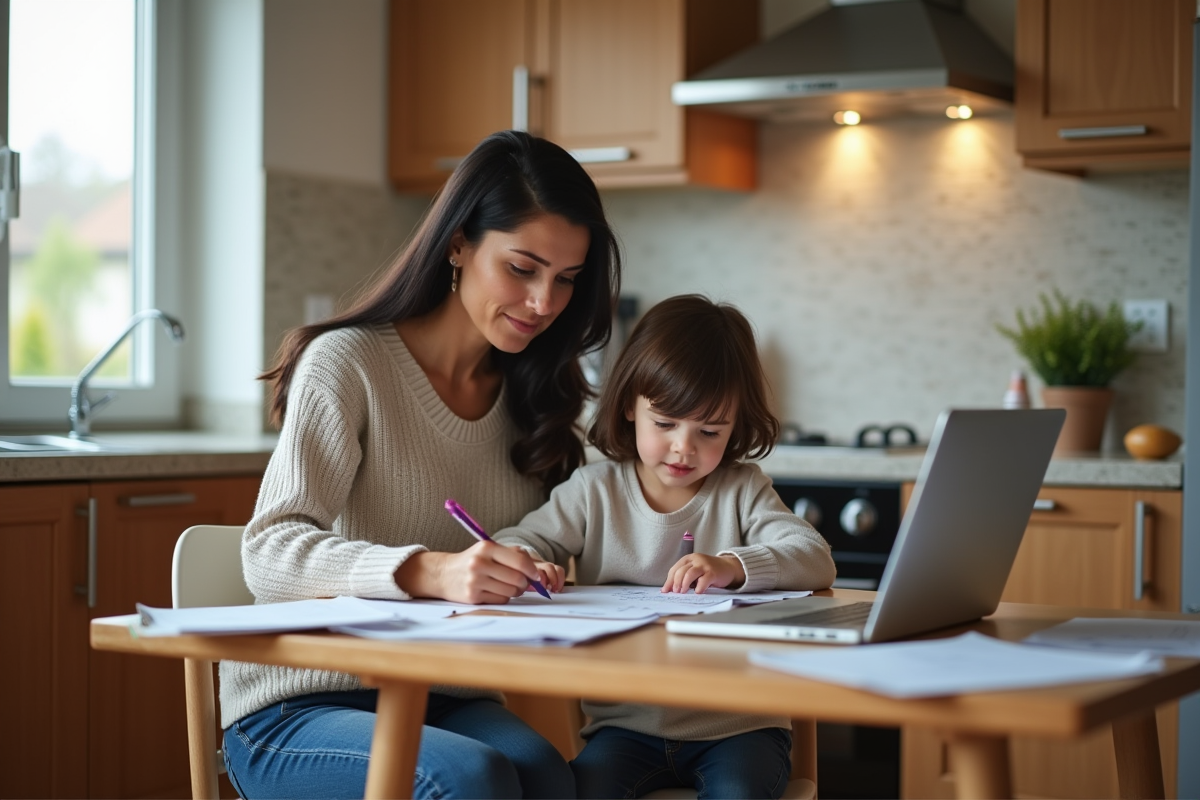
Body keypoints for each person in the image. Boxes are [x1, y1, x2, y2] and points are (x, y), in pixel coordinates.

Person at [220, 130, 622, 800]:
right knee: (472, 780)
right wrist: (430, 570)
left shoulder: (537, 400)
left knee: (551, 778)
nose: (544, 303)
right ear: (458, 244)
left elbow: (556, 539)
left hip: (446, 695)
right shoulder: (349, 364)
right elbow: (268, 551)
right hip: (303, 704)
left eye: (566, 280)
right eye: (522, 269)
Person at [495, 294, 837, 800]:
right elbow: (518, 540)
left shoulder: (741, 488)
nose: (684, 447)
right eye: (665, 424)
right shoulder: (594, 490)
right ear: (630, 406)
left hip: (739, 728)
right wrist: (530, 563)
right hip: (623, 729)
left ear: (736, 425)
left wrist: (731, 565)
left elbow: (814, 557)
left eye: (710, 430)